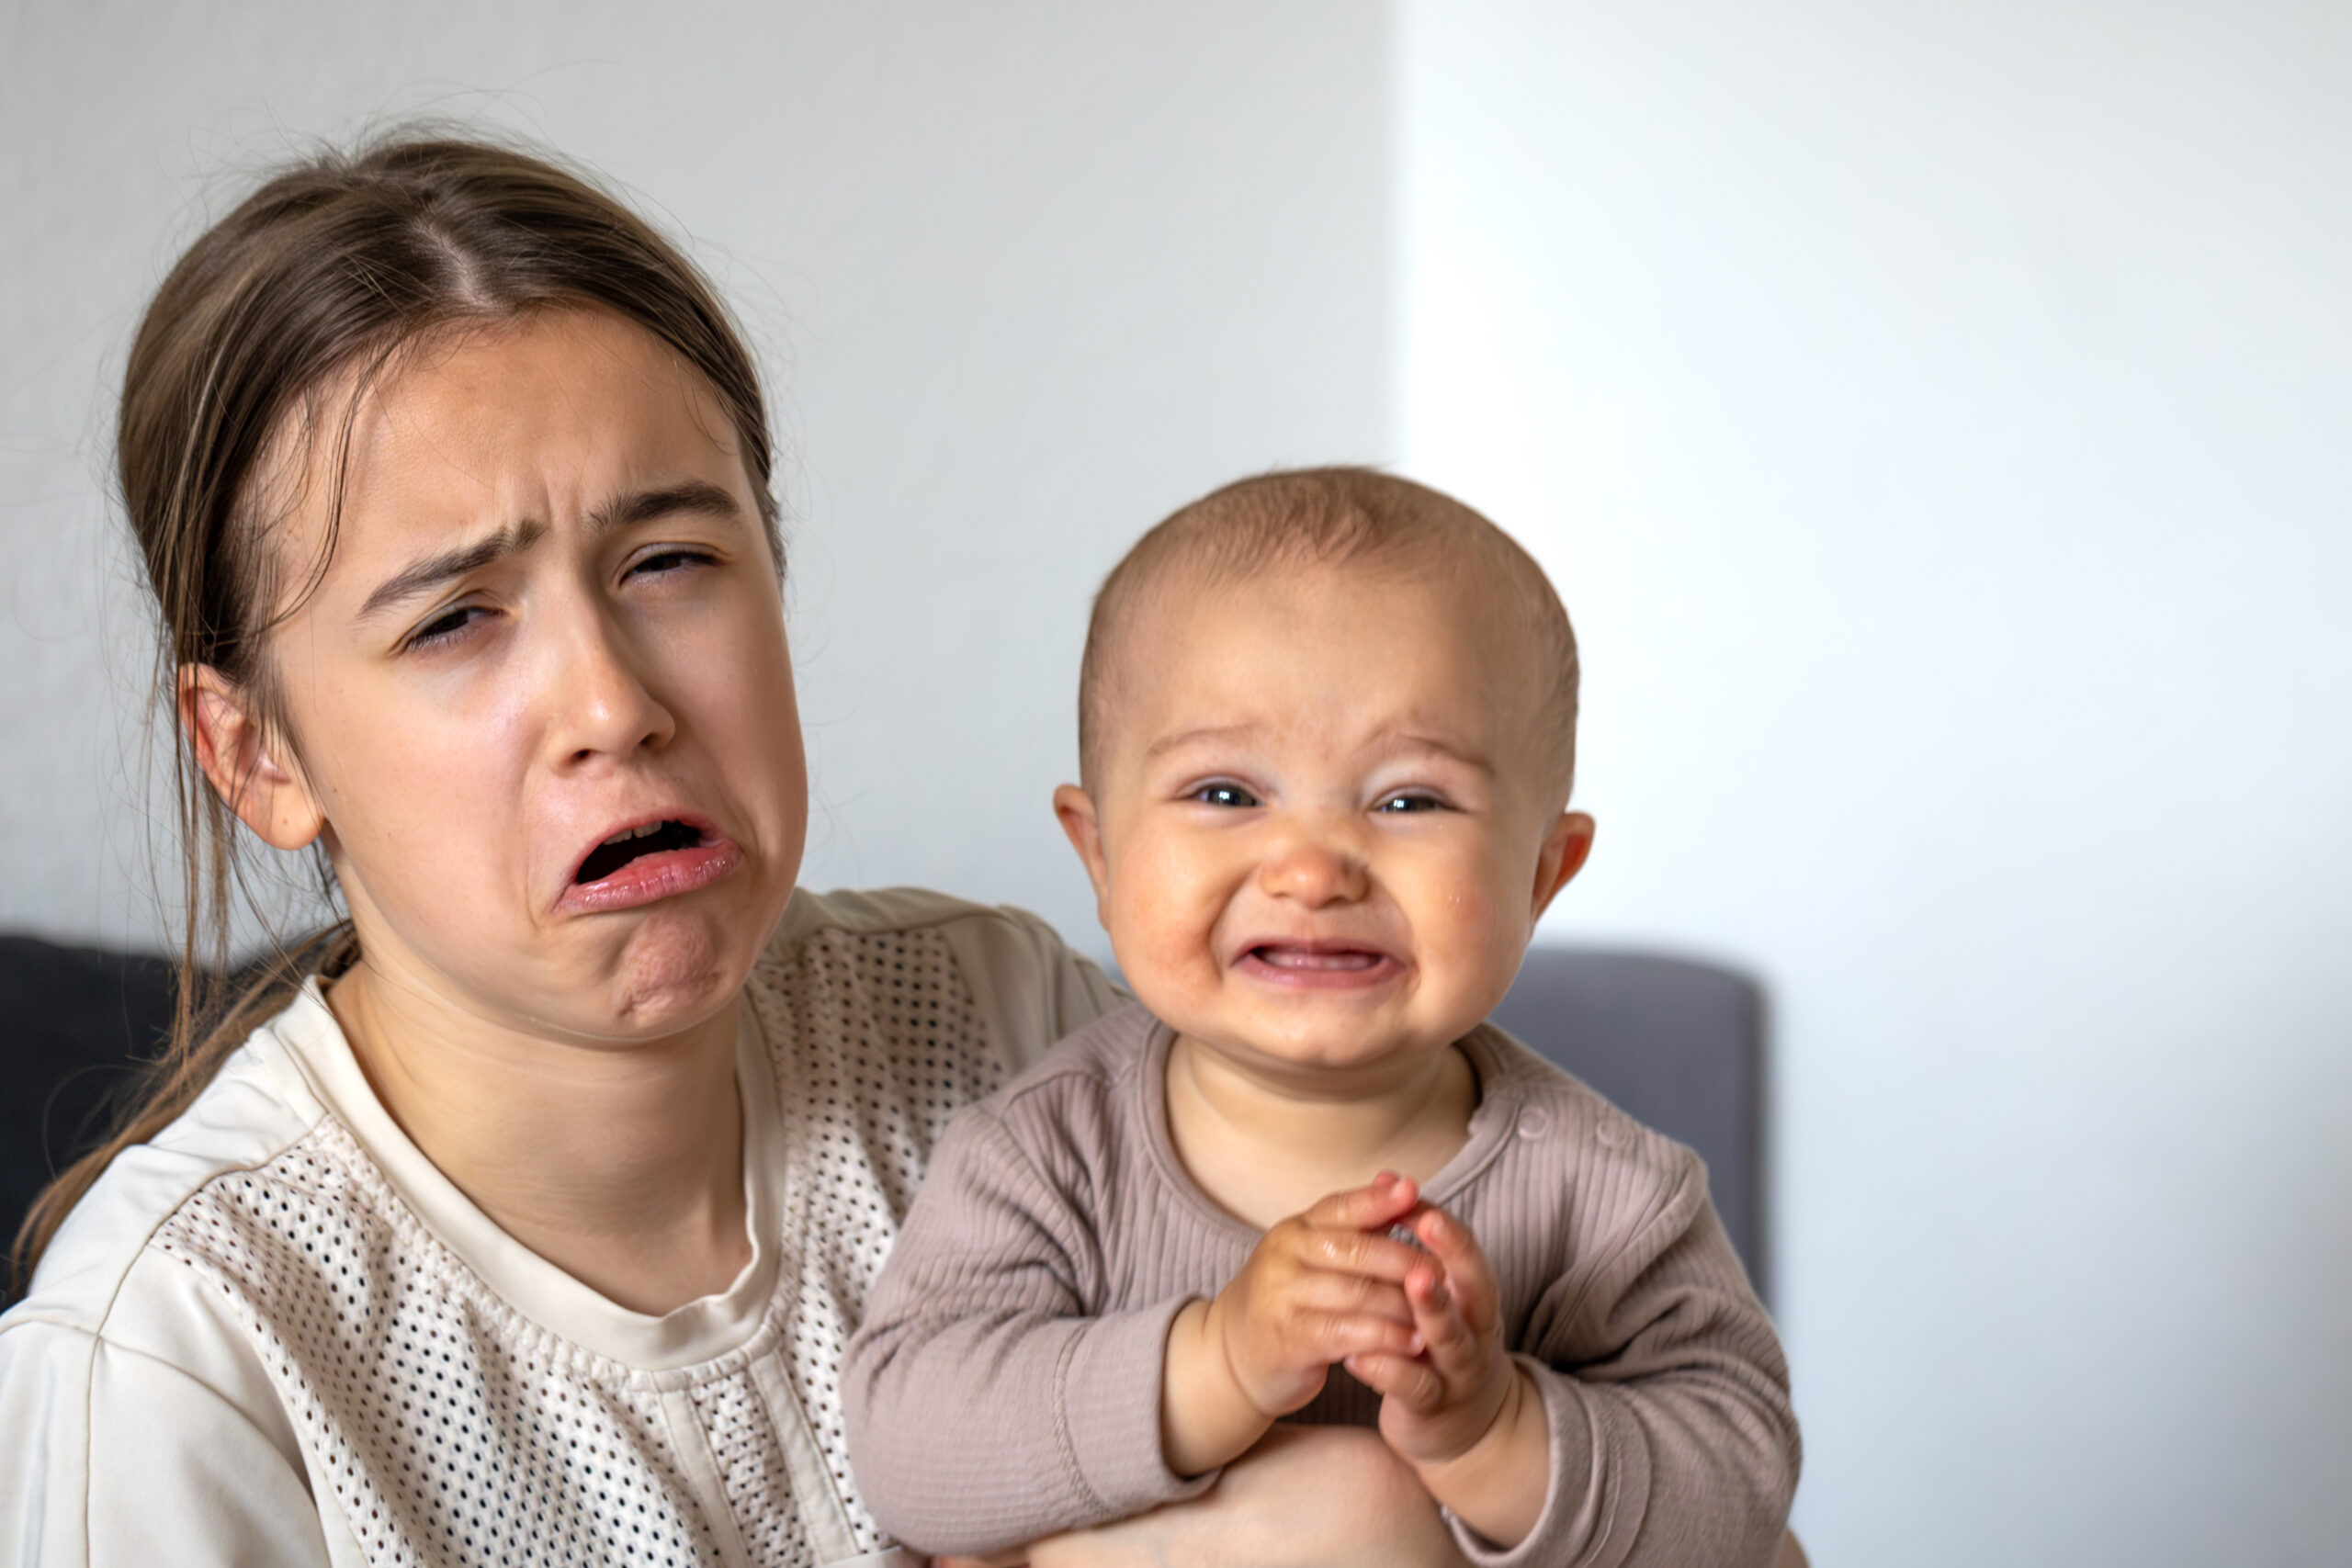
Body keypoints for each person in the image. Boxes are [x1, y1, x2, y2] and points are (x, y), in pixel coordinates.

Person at [0, 138, 1481, 1567]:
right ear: (257, 752)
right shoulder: (178, 1354)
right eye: (455, 618)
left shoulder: (1010, 1026)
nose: (614, 704)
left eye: (670, 562)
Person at [843, 470, 1804, 1565]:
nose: (1308, 868)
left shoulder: (1611, 1199)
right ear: (1099, 856)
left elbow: (1739, 1485)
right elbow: (905, 1447)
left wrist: (1494, 1432)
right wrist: (1218, 1360)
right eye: (1224, 794)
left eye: (1408, 800)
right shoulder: (1043, 1154)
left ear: (1544, 873)